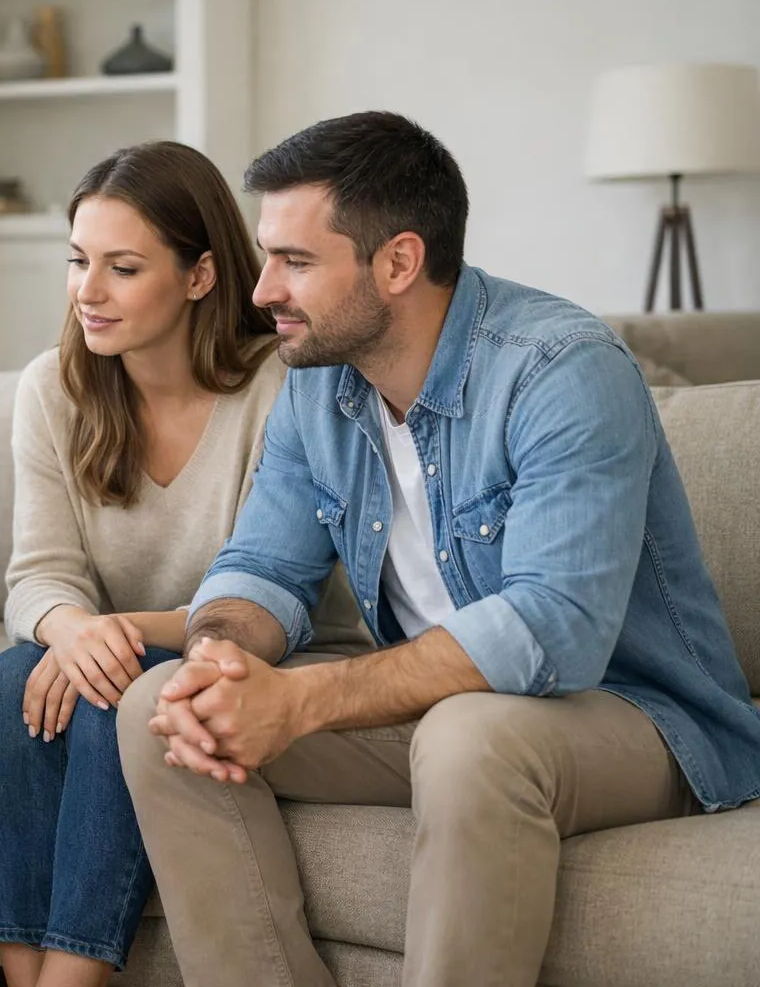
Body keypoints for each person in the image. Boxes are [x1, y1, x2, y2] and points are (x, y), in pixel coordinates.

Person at [117, 111, 760, 987]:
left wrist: (301, 703)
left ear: (398, 262)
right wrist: (214, 664)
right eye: (268, 255)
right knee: (161, 708)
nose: (262, 289)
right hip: (437, 706)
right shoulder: (316, 383)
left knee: (471, 737)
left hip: (634, 716)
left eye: (295, 261)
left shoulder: (561, 368)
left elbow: (554, 628)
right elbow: (262, 568)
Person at [0, 141, 367, 987]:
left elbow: (279, 591)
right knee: (12, 681)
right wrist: (72, 629)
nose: (88, 291)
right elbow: (37, 575)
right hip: (114, 652)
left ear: (199, 276)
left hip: (259, 652)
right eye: (78, 261)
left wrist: (105, 637)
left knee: (121, 686)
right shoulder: (54, 389)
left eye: (122, 268)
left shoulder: (281, 388)